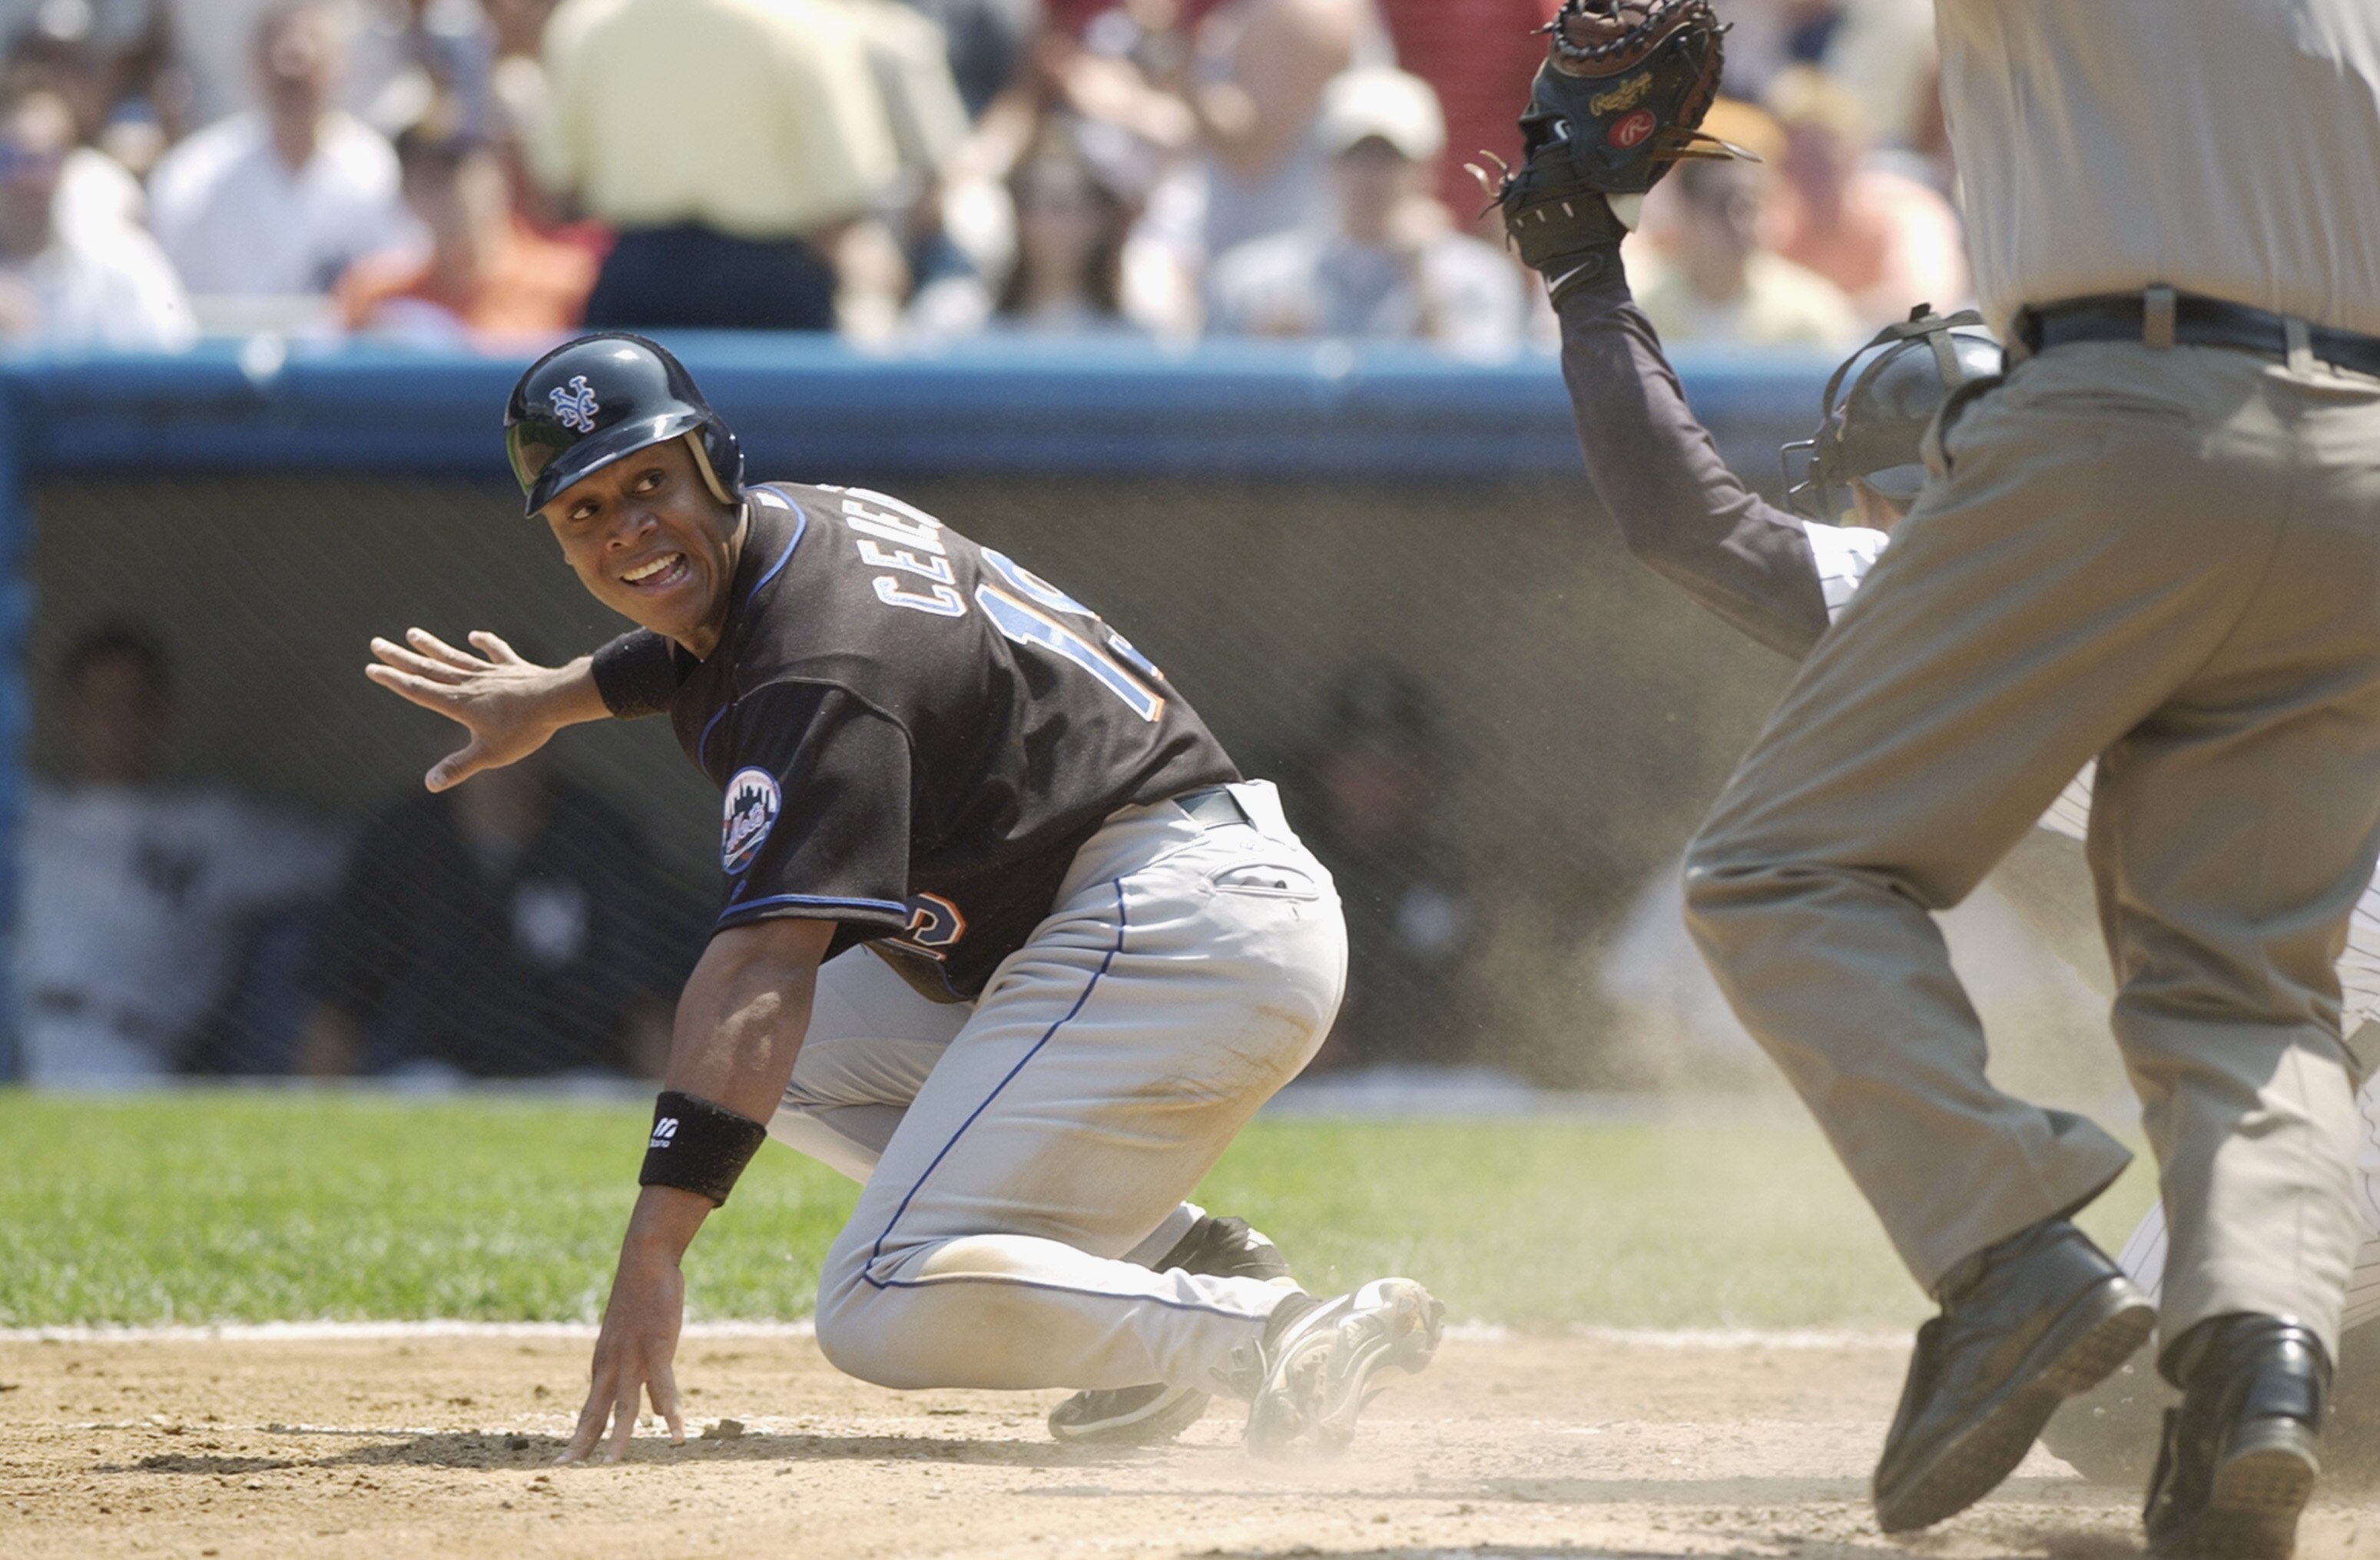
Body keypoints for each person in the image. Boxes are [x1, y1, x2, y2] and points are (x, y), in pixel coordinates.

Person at [1499, 2, 2380, 1552]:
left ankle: (2009, 1256)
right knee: (2248, 1005)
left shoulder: (1985, 566)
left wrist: (1583, 268)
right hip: (2350, 454)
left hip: (2141, 409)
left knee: (1772, 870)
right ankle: (2256, 1373)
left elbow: (1690, 523)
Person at [359, 333, 1442, 1458]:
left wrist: (653, 1252)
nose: (626, 525)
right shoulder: (790, 533)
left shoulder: (822, 667)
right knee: (804, 1063)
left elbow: (758, 970)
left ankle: (1268, 1335)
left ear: (713, 463)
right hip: (1172, 905)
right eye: (584, 510)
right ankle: (1172, 1266)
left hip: (1164, 924)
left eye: (648, 482)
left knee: (875, 1298)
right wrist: (556, 695)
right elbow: (700, 636)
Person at [18, 624, 340, 1085]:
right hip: (17, 1037)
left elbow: (363, 863)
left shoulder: (212, 828)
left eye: (133, 704)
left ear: (164, 714)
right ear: (68, 713)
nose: (115, 722)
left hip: (125, 1049)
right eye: (98, 704)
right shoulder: (28, 816)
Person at [296, 747, 681, 1081]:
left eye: (514, 731)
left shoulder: (598, 835)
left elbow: (647, 998)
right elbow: (341, 997)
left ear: (548, 742)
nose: (495, 755)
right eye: (471, 734)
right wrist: (311, 1119)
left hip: (578, 1078)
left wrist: (669, 1118)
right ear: (442, 745)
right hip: (440, 1075)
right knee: (415, 1091)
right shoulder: (404, 838)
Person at [531, 0, 897, 331]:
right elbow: (844, 194)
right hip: (772, 285)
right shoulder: (805, 22)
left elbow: (559, 184)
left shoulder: (586, 22)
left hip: (638, 280)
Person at [1208, 67, 1523, 354]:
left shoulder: (1478, 280)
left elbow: (1476, 400)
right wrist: (1270, 360)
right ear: (1325, 165)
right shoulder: (1252, 283)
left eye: (1390, 156)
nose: (1371, 174)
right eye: (1354, 154)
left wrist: (1424, 282)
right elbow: (1218, 403)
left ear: (1428, 169)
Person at [1280, 662, 1479, 1069]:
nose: (1373, 781)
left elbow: (1451, 1002)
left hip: (1402, 1075)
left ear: (1422, 773)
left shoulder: (1439, 875)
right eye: (1357, 762)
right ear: (1325, 768)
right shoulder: (1282, 855)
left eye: (1392, 765)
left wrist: (1360, 1008)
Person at [146, 1, 416, 300]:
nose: (291, 71)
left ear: (341, 66)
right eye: (281, 71)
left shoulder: (376, 171)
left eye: (306, 69)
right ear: (254, 65)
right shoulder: (193, 178)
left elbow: (395, 292)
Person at [1628, 101, 1858, 349]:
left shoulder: (1812, 317)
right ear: (1687, 209)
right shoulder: (1633, 312)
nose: (1739, 222)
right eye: (1721, 203)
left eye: (1750, 204)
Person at [336, 120, 594, 343]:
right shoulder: (374, 296)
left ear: (500, 177)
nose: (451, 195)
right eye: (431, 180)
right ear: (407, 195)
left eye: (463, 172)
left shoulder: (574, 281)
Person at [1760, 65, 1967, 330]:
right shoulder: (1773, 222)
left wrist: (1821, 320)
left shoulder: (1907, 210)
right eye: (1795, 163)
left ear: (1855, 151)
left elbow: (1926, 301)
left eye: (1821, 159)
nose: (1809, 175)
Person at [0, 84, 194, 349]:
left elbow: (174, 364)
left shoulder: (124, 261)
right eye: (8, 159)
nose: (28, 179)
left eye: (43, 161)